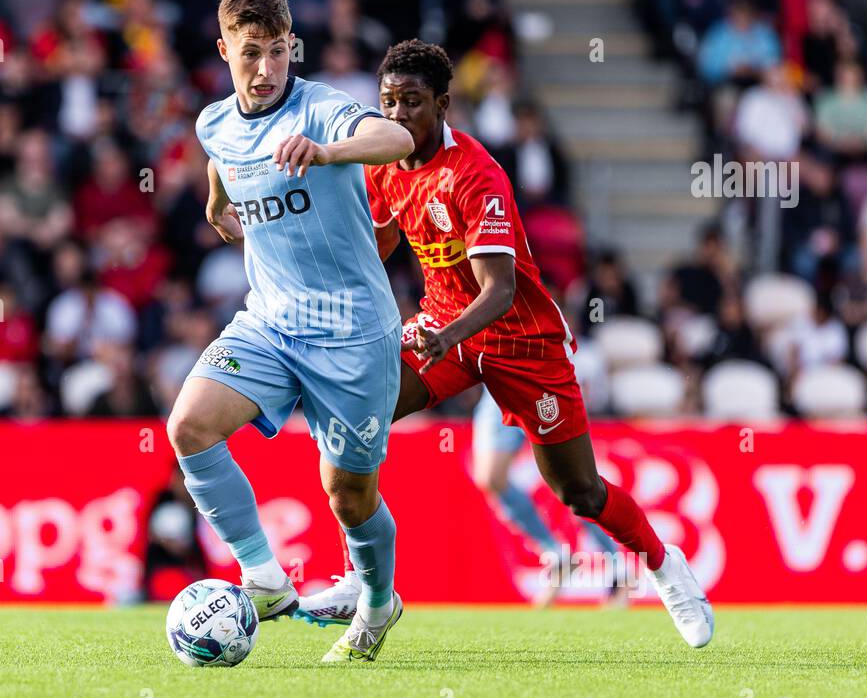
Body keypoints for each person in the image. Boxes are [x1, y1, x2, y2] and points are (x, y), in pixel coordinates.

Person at [296, 40, 715, 648]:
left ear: (442, 104)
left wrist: (444, 334)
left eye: (412, 103)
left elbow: (499, 289)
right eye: (387, 103)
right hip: (446, 332)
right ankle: (360, 582)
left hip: (521, 341)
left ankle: (663, 566)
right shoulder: (384, 167)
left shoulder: (475, 175)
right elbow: (378, 251)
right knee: (353, 417)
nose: (398, 116)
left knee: (580, 491)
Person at [167, 0, 414, 663]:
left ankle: (377, 600)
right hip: (271, 324)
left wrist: (329, 152)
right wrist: (220, 209)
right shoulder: (213, 123)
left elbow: (396, 137)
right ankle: (265, 578)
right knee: (188, 425)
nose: (268, 67)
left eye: (278, 51)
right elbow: (224, 169)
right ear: (225, 51)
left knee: (348, 495)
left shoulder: (324, 109)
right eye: (252, 53)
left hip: (354, 333)